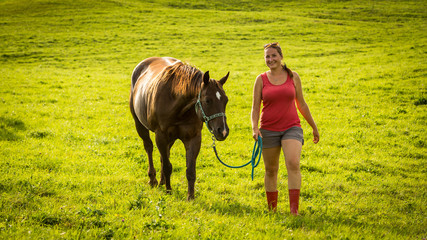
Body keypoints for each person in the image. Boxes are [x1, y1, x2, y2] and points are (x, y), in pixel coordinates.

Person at [251, 42, 319, 215]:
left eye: (274, 55)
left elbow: (301, 104)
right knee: (271, 170)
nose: (270, 59)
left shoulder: (293, 76)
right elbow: (255, 108)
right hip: (268, 129)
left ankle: (294, 210)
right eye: (267, 56)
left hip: (291, 127)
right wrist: (254, 128)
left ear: (281, 57)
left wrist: (313, 126)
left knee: (293, 163)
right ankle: (272, 210)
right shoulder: (260, 79)